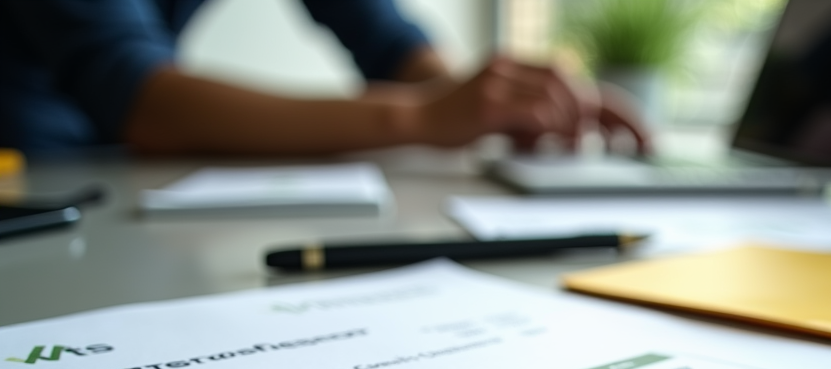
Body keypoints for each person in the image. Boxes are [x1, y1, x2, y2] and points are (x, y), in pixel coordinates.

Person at [0, 0, 649, 156]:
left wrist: (495, 100)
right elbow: (141, 97)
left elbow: (389, 41)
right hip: (34, 170)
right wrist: (420, 118)